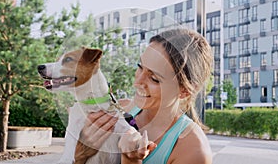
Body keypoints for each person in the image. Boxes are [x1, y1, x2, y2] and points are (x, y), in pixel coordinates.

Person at [73, 28, 213, 164]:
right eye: (140, 67)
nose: (137, 82)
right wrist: (80, 155)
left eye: (154, 78)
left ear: (184, 91)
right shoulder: (118, 109)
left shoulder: (194, 151)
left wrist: (131, 161)